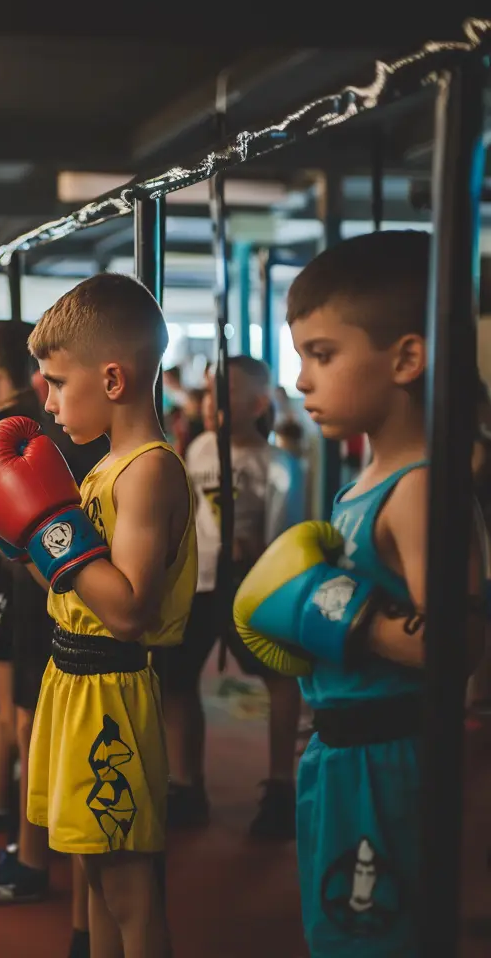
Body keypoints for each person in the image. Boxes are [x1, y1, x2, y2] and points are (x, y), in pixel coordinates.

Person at [233, 231, 487, 956]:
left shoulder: (420, 489)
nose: (303, 380)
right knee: (339, 931)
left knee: (375, 937)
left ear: (406, 358)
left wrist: (335, 606)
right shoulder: (365, 483)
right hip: (342, 750)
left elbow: (459, 646)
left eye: (322, 354)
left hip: (390, 755)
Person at [0, 273, 196, 957]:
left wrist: (49, 527)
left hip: (111, 689)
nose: (47, 401)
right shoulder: (105, 468)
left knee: (128, 892)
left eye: (55, 381)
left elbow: (130, 611)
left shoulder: (148, 469)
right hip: (72, 682)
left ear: (113, 378)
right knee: (92, 871)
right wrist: (10, 531)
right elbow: (72, 585)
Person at [0, 322, 107, 907]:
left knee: (33, 727)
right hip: (21, 594)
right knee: (18, 722)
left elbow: (58, 562)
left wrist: (11, 528)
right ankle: (26, 842)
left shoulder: (47, 443)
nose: (50, 399)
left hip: (49, 610)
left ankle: (35, 857)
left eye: (58, 383)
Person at [158, 356, 304, 839]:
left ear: (257, 403)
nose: (209, 402)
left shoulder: (276, 464)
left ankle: (282, 786)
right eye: (207, 392)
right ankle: (186, 784)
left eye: (223, 393)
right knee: (176, 680)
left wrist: (254, 553)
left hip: (249, 585)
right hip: (196, 582)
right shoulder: (198, 448)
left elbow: (287, 539)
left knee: (279, 677)